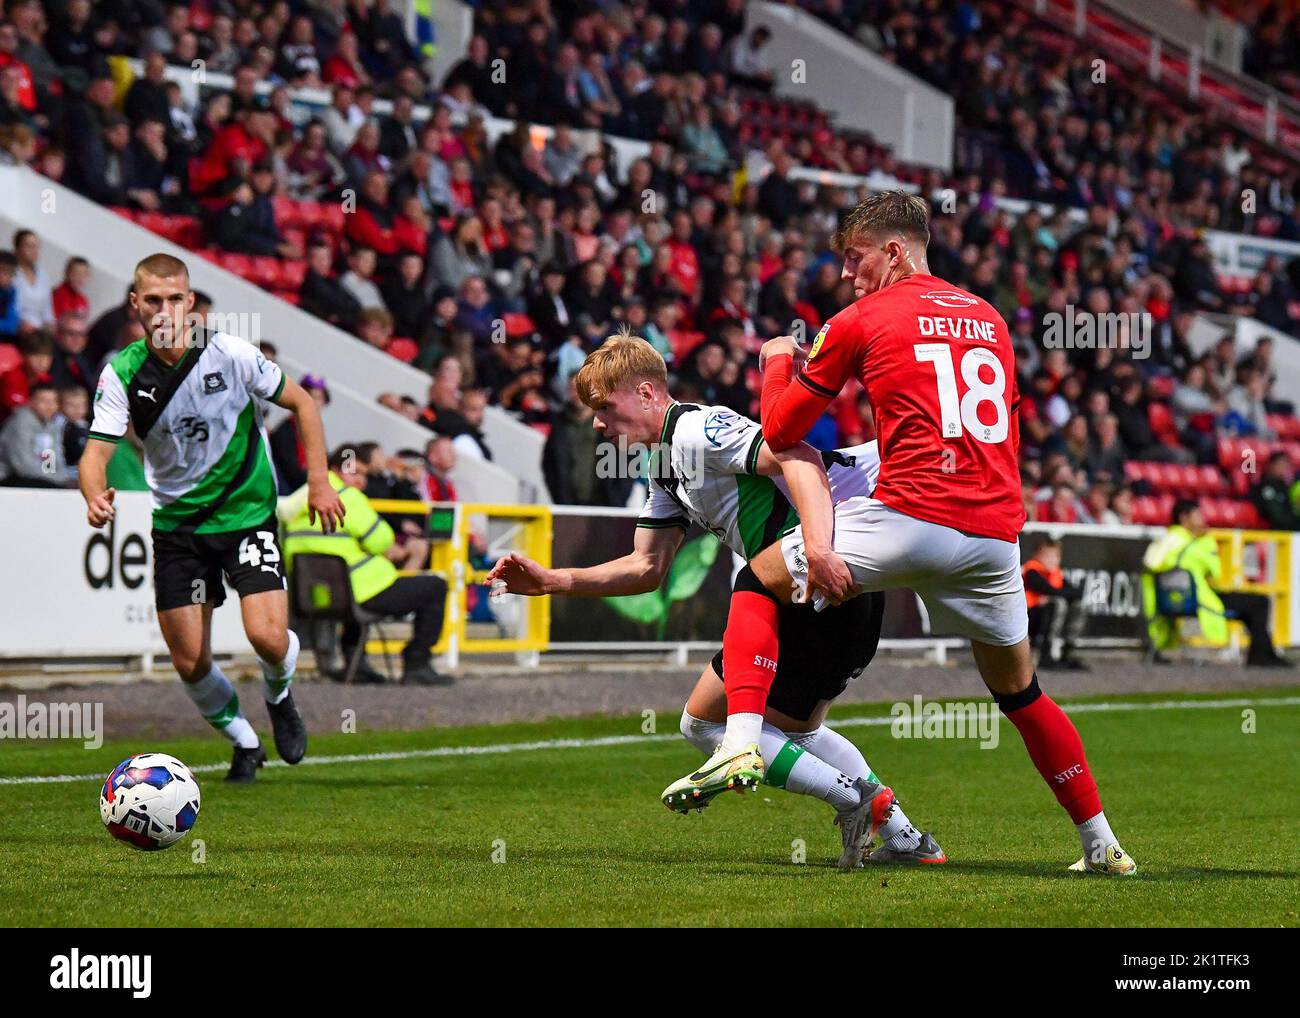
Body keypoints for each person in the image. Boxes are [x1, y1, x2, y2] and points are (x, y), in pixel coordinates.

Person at [740, 191, 1133, 875]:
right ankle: (1102, 844)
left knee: (758, 578)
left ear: (893, 252)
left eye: (855, 259)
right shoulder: (989, 316)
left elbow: (779, 431)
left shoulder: (859, 318)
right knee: (1022, 695)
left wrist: (777, 361)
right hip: (992, 535)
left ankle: (742, 739)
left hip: (910, 518)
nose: (846, 275)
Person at [489, 333, 942, 868]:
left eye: (606, 407)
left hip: (812, 585)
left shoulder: (699, 430)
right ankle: (906, 837)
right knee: (797, 731)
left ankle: (856, 800)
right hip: (826, 593)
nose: (597, 423)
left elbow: (796, 454)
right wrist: (553, 581)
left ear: (648, 392)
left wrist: (816, 548)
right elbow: (646, 566)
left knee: (706, 725)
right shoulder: (665, 462)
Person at [79, 253, 345, 783]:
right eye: (152, 300)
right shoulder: (123, 373)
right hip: (178, 526)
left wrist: (319, 480)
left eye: (174, 299)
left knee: (267, 638)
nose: (164, 310)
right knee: (190, 661)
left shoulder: (228, 353)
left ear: (190, 302)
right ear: (135, 304)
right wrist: (92, 494)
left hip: (246, 512)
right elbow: (95, 453)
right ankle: (245, 742)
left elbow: (305, 405)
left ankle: (279, 695)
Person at [282, 443, 451, 686]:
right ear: (335, 470)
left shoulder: (302, 499)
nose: (360, 480)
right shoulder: (347, 498)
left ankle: (356, 664)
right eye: (354, 472)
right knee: (435, 586)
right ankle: (417, 662)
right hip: (361, 592)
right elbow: (383, 540)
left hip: (317, 596)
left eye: (364, 474)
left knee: (356, 590)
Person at [1142, 499, 1291, 668]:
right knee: (1259, 602)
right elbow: (1216, 574)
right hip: (1200, 599)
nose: (1203, 520)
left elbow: (1151, 565)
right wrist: (1206, 541)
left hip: (1173, 600)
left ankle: (1264, 653)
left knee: (1252, 605)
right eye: (1198, 515)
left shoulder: (1165, 541)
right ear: (1184, 518)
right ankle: (1260, 656)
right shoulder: (1194, 544)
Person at [1022, 537, 1088, 670]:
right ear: (1036, 555)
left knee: (1078, 605)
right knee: (1057, 603)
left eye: (1055, 556)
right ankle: (1045, 654)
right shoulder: (1032, 571)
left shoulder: (1056, 573)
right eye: (1047, 556)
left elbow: (1075, 594)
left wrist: (1076, 591)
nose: (1052, 560)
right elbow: (1049, 590)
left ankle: (1066, 651)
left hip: (1045, 617)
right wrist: (1071, 592)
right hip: (1028, 619)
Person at [1252, 452, 1300, 531]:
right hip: (1268, 534)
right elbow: (1276, 517)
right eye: (1280, 465)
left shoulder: (1285, 486)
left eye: (1286, 465)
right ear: (1271, 465)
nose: (1284, 468)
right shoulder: (1265, 487)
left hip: (1288, 532)